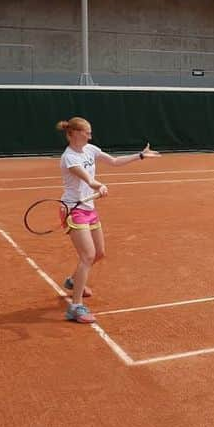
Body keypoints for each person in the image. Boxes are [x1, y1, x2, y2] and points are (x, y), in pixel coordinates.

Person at [56, 117, 161, 323]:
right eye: (87, 132)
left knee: (99, 253)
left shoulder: (90, 149)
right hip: (74, 209)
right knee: (87, 255)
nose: (90, 135)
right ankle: (75, 307)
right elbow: (87, 178)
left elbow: (113, 161)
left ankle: (73, 280)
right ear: (74, 133)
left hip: (89, 207)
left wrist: (140, 155)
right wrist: (99, 186)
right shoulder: (69, 158)